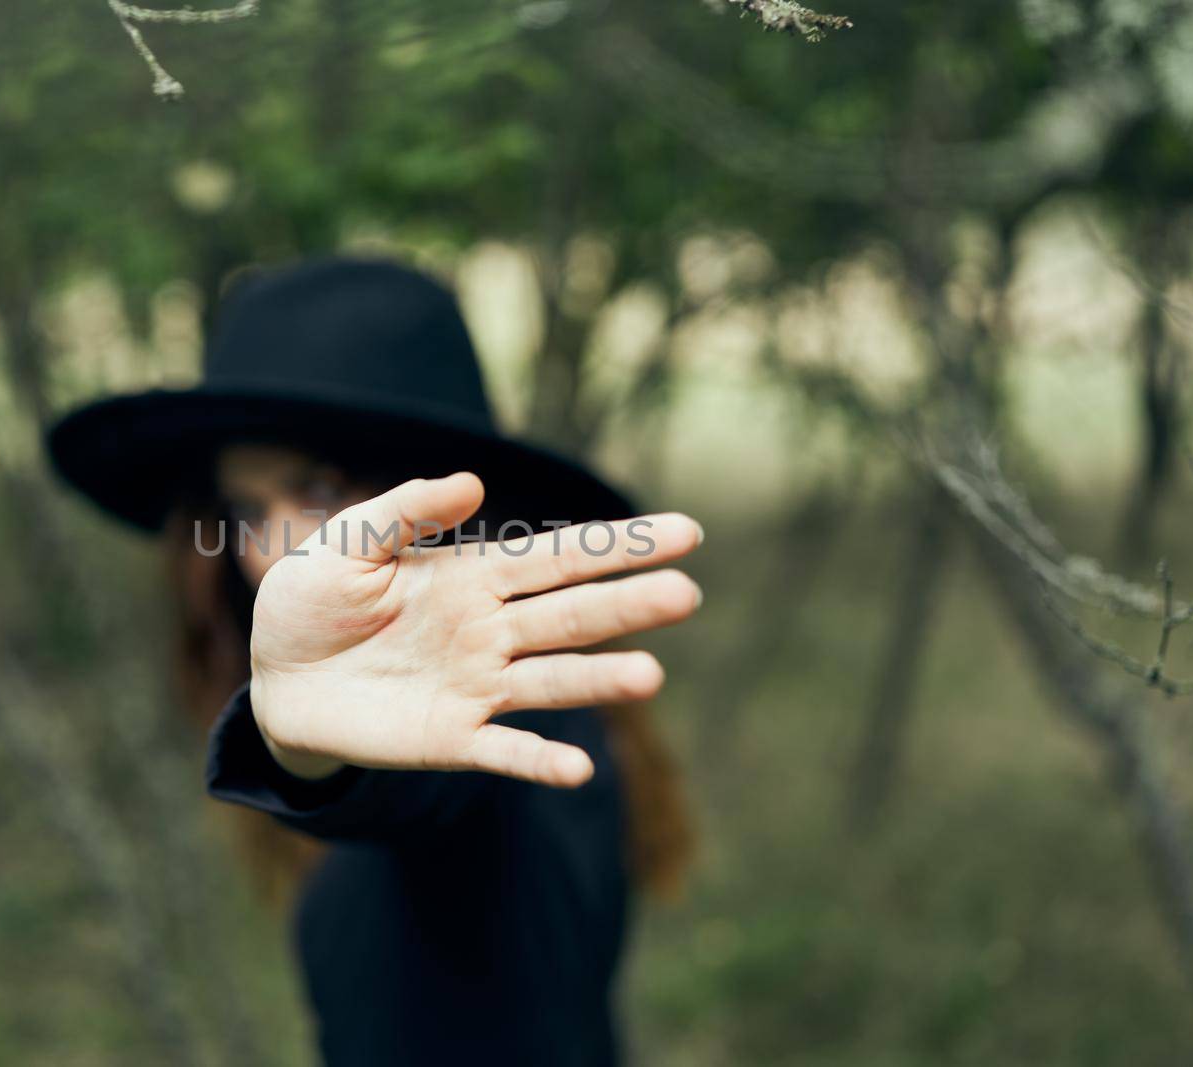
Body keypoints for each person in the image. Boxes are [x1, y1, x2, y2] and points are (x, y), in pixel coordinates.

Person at [47, 257, 705, 1065]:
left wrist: (308, 754)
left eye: (319, 487)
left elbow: (415, 788)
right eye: (248, 508)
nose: (276, 553)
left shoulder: (503, 718)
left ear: (449, 503)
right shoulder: (521, 695)